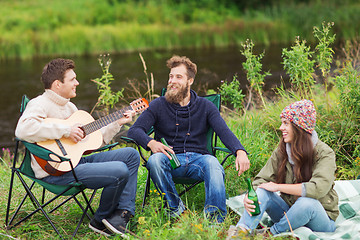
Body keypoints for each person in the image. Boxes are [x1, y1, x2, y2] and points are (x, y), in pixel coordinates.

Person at [15, 58, 140, 238]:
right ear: (58, 84)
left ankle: (122, 214)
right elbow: (22, 129)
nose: (77, 83)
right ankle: (100, 221)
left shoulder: (70, 107)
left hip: (75, 162)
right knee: (119, 170)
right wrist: (66, 130)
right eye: (72, 79)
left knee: (131, 155)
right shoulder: (39, 104)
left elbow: (94, 142)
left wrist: (117, 123)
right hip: (56, 170)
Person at [127, 55, 249, 223]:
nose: (172, 81)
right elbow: (134, 131)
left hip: (198, 160)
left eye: (178, 77)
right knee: (154, 160)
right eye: (171, 76)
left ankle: (215, 221)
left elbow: (224, 131)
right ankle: (177, 212)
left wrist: (240, 151)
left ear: (190, 81)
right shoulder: (158, 105)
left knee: (213, 163)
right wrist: (151, 142)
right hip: (169, 160)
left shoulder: (206, 106)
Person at [228, 99, 339, 238]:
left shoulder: (325, 153)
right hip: (289, 213)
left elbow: (317, 188)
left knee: (307, 203)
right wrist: (250, 196)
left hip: (320, 219)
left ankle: (269, 235)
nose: (281, 127)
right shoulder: (283, 150)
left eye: (286, 123)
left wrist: (278, 186)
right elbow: (262, 179)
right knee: (263, 190)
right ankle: (240, 233)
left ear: (299, 127)